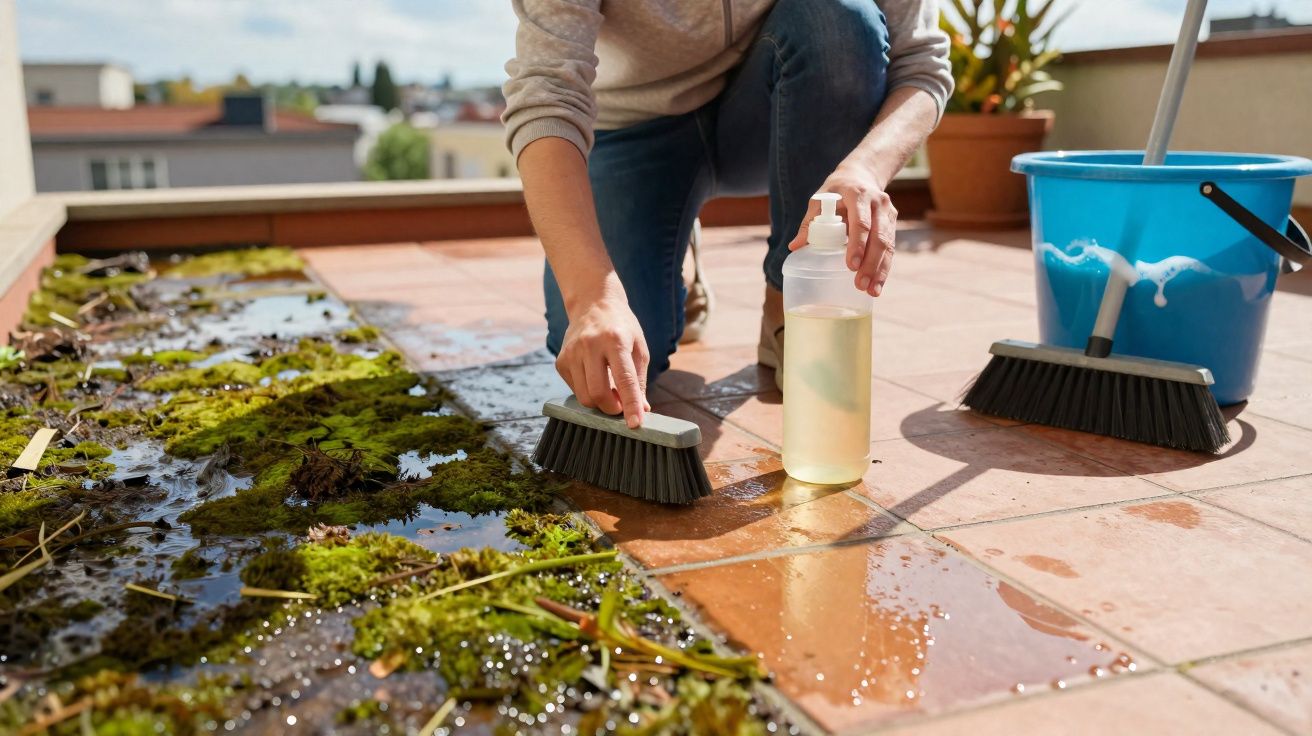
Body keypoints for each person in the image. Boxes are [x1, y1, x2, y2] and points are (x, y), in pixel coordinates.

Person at [503, 0, 952, 429]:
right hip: (631, 131)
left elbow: (922, 65)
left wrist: (864, 168)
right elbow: (547, 95)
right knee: (611, 362)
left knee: (836, 18)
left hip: (771, 110)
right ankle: (674, 237)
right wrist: (592, 299)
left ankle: (789, 309)